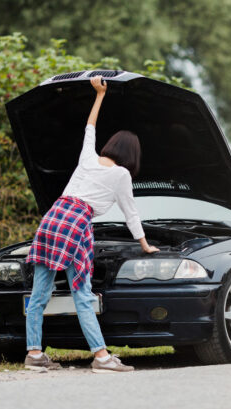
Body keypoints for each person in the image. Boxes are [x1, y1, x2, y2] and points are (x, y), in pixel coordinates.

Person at [22, 76, 159, 373]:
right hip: (75, 225)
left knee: (39, 293)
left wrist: (99, 95)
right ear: (133, 156)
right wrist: (145, 244)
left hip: (53, 217)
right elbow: (130, 212)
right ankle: (101, 357)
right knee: (81, 293)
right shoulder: (122, 174)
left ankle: (34, 353)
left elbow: (90, 127)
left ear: (111, 146)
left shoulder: (88, 156)